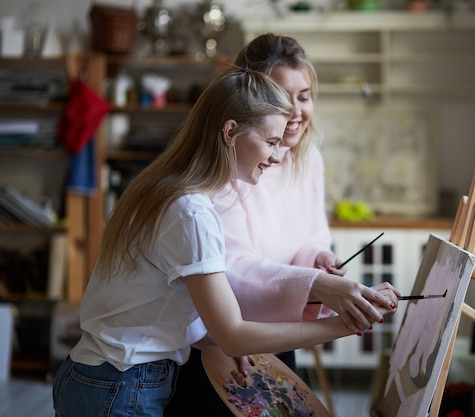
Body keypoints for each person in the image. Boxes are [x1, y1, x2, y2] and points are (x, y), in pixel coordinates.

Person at [52, 66, 398, 417]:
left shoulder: (163, 186)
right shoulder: (191, 212)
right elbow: (233, 334)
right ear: (231, 131)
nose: (277, 156)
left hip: (96, 373)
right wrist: (343, 324)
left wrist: (221, 336)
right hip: (122, 384)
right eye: (271, 142)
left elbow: (159, 305)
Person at [165, 34, 398, 416]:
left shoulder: (309, 159)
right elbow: (231, 269)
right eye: (281, 97)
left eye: (304, 96)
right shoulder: (229, 166)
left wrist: (317, 259)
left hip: (280, 331)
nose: (295, 111)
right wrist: (318, 284)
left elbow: (309, 235)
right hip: (216, 346)